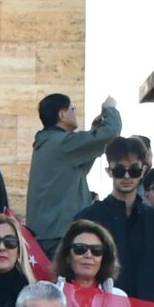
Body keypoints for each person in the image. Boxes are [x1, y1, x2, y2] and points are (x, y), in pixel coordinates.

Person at [84, 137, 154, 301]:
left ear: (143, 170)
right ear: (109, 171)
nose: (127, 176)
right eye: (119, 170)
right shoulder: (89, 218)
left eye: (133, 170)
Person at [25, 90, 122, 243]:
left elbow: (79, 171)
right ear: (62, 114)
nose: (75, 113)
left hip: (49, 234)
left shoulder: (49, 141)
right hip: (59, 235)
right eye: (72, 109)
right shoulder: (62, 143)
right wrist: (111, 110)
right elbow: (110, 134)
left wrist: (93, 132)